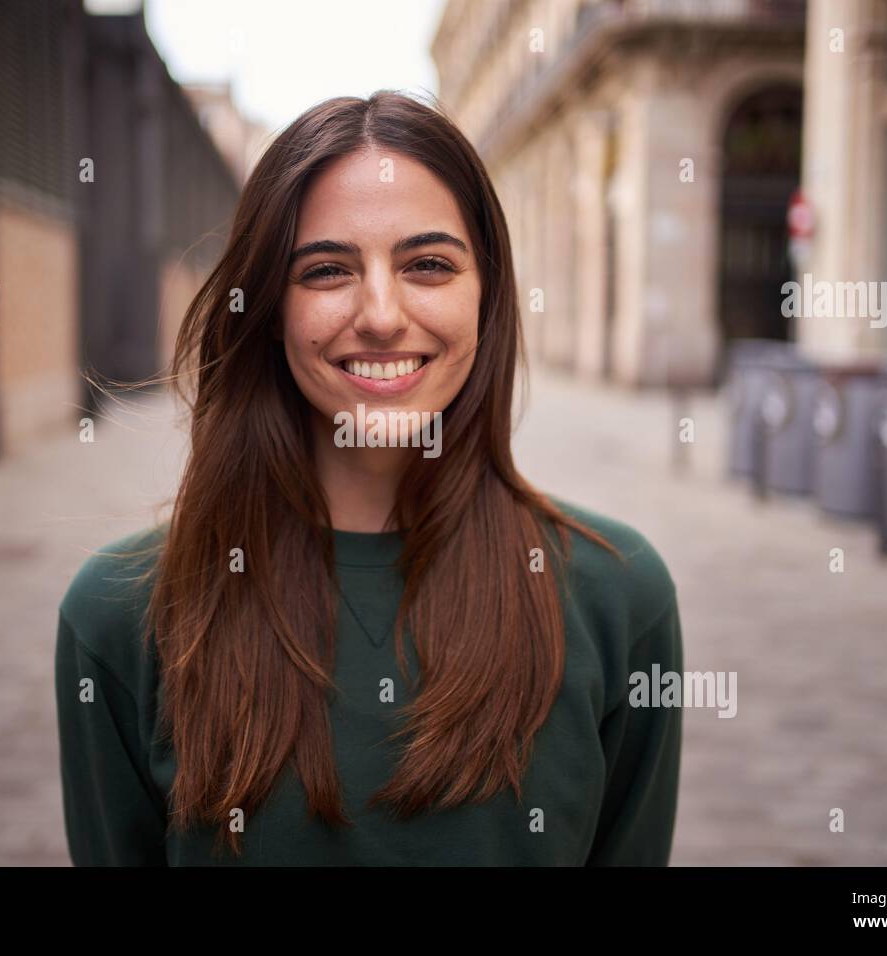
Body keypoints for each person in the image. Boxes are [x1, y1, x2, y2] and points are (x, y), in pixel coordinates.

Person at [55, 90, 683, 866]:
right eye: (326, 271)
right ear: (268, 309)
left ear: (485, 295)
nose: (382, 314)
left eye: (427, 265)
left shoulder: (620, 600)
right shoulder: (120, 618)